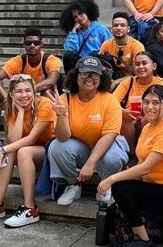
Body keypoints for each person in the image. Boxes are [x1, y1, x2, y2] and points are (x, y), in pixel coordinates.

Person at [98, 85, 163, 247]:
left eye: (156, 103)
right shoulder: (148, 127)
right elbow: (142, 164)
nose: (150, 107)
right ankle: (148, 231)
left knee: (119, 187)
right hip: (156, 186)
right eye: (146, 102)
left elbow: (146, 167)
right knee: (119, 206)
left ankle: (144, 243)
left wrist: (111, 179)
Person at [46, 56, 129, 206]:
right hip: (82, 148)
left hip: (107, 146)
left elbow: (109, 135)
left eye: (95, 74)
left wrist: (90, 164)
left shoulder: (109, 100)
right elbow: (63, 138)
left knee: (113, 157)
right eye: (85, 73)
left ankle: (105, 185)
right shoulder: (65, 99)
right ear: (76, 76)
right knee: (56, 146)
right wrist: (61, 115)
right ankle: (73, 185)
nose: (90, 78)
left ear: (101, 78)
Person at [0, 75, 55, 228]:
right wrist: (21, 112)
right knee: (12, 150)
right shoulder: (13, 108)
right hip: (27, 152)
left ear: (34, 91)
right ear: (11, 94)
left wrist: (1, 149)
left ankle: (30, 209)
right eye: (19, 92)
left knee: (18, 150)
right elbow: (14, 140)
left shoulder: (44, 104)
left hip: (49, 152)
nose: (24, 95)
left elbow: (31, 139)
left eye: (27, 91)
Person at [0, 27, 61, 160]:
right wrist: (8, 97)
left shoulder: (50, 60)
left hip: (41, 103)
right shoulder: (19, 61)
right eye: (28, 43)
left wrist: (28, 92)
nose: (32, 46)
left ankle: (46, 138)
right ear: (24, 45)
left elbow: (52, 80)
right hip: (21, 102)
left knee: (49, 90)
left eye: (36, 43)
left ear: (42, 44)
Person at [112, 51, 163, 153]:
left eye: (144, 63)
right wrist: (123, 111)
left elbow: (158, 104)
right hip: (130, 121)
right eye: (137, 64)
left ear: (154, 66)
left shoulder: (160, 82)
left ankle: (146, 151)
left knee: (148, 117)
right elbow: (111, 103)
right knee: (122, 117)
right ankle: (132, 153)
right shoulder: (128, 82)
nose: (141, 67)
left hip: (149, 119)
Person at [60, 0, 112, 73]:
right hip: (81, 63)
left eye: (81, 13)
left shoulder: (101, 30)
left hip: (97, 62)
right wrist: (74, 31)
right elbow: (70, 50)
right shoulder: (74, 33)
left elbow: (110, 48)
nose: (79, 17)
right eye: (75, 16)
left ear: (87, 12)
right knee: (67, 56)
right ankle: (71, 82)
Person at [99, 12, 145, 89]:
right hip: (111, 78)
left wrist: (117, 82)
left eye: (122, 25)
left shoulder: (137, 46)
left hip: (132, 81)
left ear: (128, 29)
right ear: (111, 29)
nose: (119, 28)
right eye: (115, 25)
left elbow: (139, 73)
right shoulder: (106, 45)